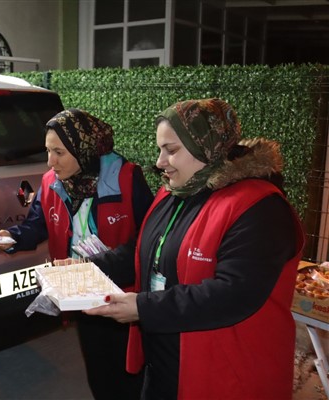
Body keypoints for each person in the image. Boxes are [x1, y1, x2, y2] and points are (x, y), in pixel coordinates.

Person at [85, 98, 304, 400]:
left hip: (226, 377)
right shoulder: (175, 190)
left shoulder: (260, 208)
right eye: (160, 150)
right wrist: (86, 267)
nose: (160, 162)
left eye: (171, 150)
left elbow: (233, 293)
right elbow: (143, 250)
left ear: (206, 147)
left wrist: (142, 307)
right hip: (165, 366)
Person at [0, 108, 153, 400]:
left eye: (59, 152)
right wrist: (10, 238)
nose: (50, 162)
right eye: (47, 151)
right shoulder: (50, 182)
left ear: (84, 149)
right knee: (99, 373)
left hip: (122, 294)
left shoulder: (127, 177)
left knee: (129, 375)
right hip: (80, 292)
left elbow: (149, 240)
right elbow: (36, 226)